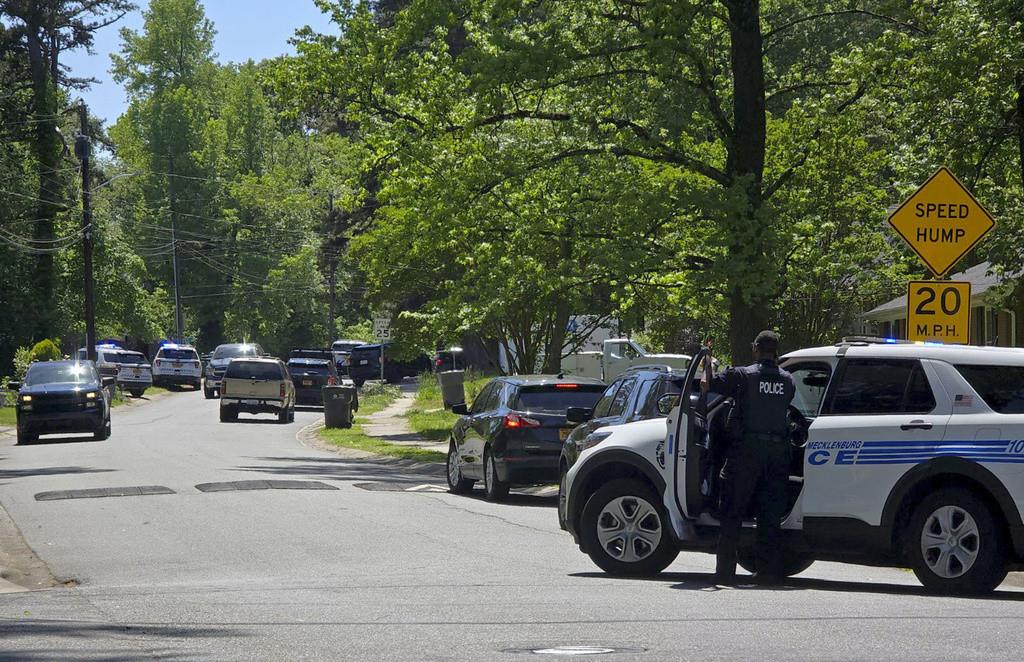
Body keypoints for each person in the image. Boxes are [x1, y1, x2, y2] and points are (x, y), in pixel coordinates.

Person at [701, 330, 795, 584]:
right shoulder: (788, 380)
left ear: (755, 349)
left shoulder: (743, 376)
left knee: (731, 512)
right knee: (769, 515)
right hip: (777, 455)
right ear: (776, 351)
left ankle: (725, 573)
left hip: (746, 453)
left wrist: (707, 362)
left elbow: (708, 384)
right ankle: (769, 572)